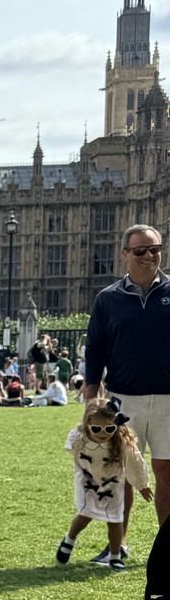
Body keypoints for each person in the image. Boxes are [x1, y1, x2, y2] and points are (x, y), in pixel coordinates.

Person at [84, 223, 170, 536]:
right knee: (121, 474)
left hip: (168, 399)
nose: (150, 256)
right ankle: (116, 546)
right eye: (141, 251)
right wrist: (91, 390)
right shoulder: (107, 299)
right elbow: (95, 348)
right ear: (125, 255)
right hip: (123, 398)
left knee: (166, 471)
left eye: (155, 249)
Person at [57, 399, 151, 569]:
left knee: (115, 520)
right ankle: (69, 539)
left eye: (109, 429)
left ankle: (114, 556)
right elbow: (72, 448)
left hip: (112, 484)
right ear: (88, 424)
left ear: (116, 425)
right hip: (89, 482)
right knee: (85, 515)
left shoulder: (122, 442)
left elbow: (135, 462)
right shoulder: (81, 438)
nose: (102, 433)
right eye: (96, 429)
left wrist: (142, 485)